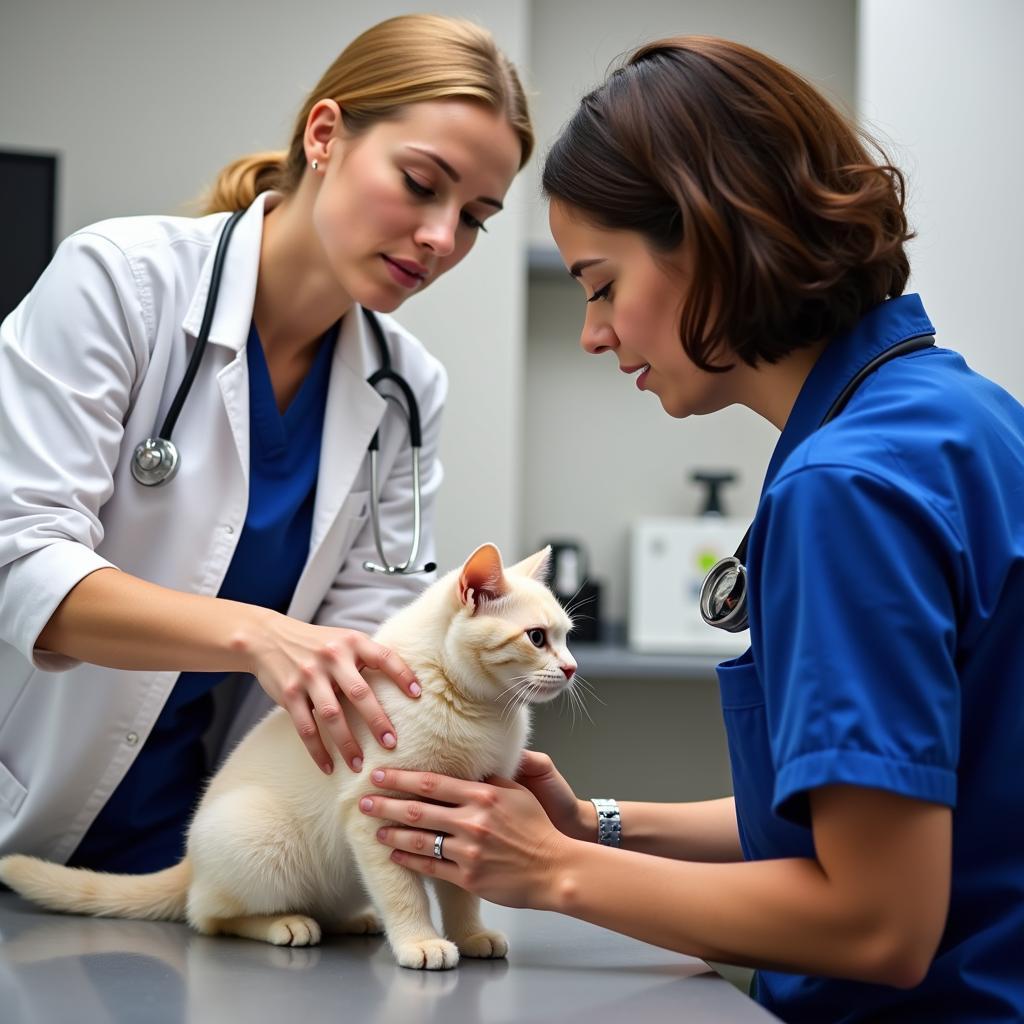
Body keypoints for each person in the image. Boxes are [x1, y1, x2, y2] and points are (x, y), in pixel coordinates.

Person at [358, 36, 1024, 1022]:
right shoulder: (960, 415)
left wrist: (550, 872)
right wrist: (597, 825)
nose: (593, 331)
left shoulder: (845, 489)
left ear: (707, 236)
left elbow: (878, 922)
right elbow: (887, 815)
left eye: (600, 283)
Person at [0, 14, 531, 875]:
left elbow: (373, 635)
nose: (442, 238)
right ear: (325, 135)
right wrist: (257, 634)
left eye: (475, 216)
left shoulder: (404, 388)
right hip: (25, 808)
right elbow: (21, 570)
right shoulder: (119, 283)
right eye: (420, 183)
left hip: (216, 847)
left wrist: (463, 741)